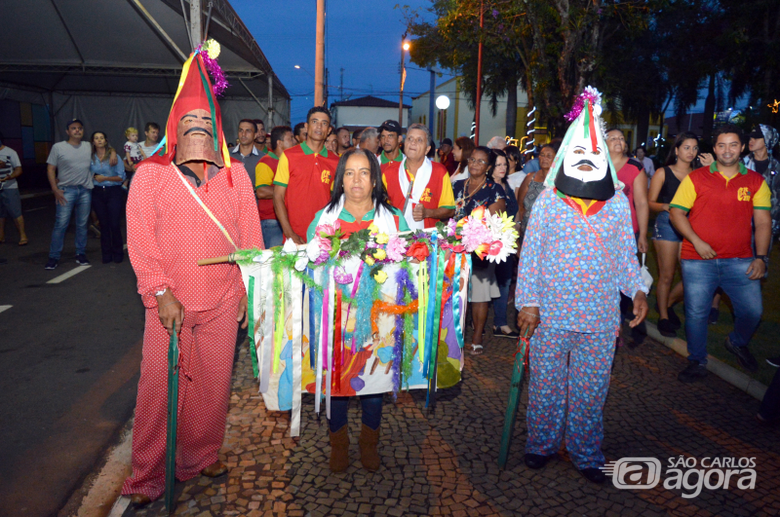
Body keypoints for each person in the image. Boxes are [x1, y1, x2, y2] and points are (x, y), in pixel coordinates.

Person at [122, 51, 264, 506]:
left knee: (214, 384)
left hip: (223, 299)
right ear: (174, 125)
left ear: (217, 126)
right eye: (190, 118)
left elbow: (252, 240)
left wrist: (246, 288)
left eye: (207, 118)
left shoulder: (236, 176)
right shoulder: (150, 175)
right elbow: (140, 240)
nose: (198, 125)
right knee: (158, 390)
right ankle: (146, 476)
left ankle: (199, 457)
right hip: (171, 304)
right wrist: (160, 292)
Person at [515, 89, 648, 483]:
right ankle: (541, 443)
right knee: (545, 386)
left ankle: (586, 452)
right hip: (550, 317)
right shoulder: (549, 202)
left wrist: (637, 290)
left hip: (599, 318)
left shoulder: (618, 204)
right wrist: (528, 303)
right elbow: (531, 254)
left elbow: (626, 256)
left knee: (591, 393)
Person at [307, 148, 409, 473]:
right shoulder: (324, 219)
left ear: (375, 178)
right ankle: (339, 444)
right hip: (337, 320)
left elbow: (409, 265)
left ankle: (369, 443)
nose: (356, 180)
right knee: (337, 384)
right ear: (340, 180)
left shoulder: (393, 218)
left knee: (374, 385)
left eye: (364, 172)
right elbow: (306, 265)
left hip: (380, 321)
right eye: (349, 173)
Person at [670, 124, 771, 382]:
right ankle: (697, 361)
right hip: (697, 260)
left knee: (752, 312)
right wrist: (696, 240)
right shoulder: (696, 178)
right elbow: (676, 213)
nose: (727, 150)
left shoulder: (756, 181)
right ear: (715, 149)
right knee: (696, 313)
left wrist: (761, 257)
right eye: (722, 145)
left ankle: (736, 341)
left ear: (742, 147)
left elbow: (762, 223)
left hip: (741, 260)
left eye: (733, 144)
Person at [453, 146, 506, 355]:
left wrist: (470, 228)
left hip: (481, 248)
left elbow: (495, 216)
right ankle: (456, 335)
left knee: (479, 295)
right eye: (472, 160)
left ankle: (477, 337)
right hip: (456, 248)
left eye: (481, 161)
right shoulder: (457, 185)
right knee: (457, 293)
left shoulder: (495, 189)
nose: (475, 164)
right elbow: (448, 212)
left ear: (489, 167)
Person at [648, 132, 698, 336]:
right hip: (667, 225)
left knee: (692, 275)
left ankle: (665, 303)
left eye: (695, 148)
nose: (691, 152)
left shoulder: (698, 174)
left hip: (690, 227)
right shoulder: (663, 172)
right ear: (676, 150)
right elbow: (650, 202)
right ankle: (664, 317)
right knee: (667, 275)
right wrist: (665, 206)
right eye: (686, 147)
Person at [273, 106, 340, 244]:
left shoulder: (336, 161)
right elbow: (278, 196)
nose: (319, 127)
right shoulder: (289, 156)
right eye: (315, 122)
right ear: (307, 126)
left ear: (329, 130)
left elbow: (337, 201)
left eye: (324, 123)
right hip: (294, 237)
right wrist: (289, 233)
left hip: (324, 238)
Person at [382, 123, 455, 231]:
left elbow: (450, 210)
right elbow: (381, 209)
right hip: (396, 240)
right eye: (410, 138)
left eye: (419, 140)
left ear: (427, 149)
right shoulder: (388, 173)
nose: (413, 142)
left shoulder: (439, 172)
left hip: (428, 240)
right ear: (404, 143)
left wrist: (427, 213)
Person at [45, 119, 95, 269]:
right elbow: (50, 169)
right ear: (67, 132)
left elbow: (103, 147)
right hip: (66, 191)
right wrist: (55, 189)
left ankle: (80, 253)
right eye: (73, 128)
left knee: (82, 224)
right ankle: (53, 257)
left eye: (80, 128)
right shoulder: (58, 147)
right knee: (61, 224)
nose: (77, 131)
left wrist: (112, 153)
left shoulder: (88, 146)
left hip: (85, 190)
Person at [489, 149, 520, 339]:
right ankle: (476, 323)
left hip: (507, 242)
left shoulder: (507, 186)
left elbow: (515, 212)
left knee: (504, 282)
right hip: (488, 243)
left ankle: (500, 322)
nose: (503, 168)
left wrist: (515, 235)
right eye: (498, 165)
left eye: (505, 165)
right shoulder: (487, 187)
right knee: (482, 285)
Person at [89, 131, 126, 264]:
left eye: (101, 138)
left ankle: (118, 252)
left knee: (114, 224)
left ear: (106, 140)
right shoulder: (90, 157)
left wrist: (105, 178)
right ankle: (106, 254)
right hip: (97, 192)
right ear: (93, 141)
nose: (99, 140)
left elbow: (121, 176)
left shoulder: (113, 156)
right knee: (104, 225)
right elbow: (85, 173)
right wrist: (94, 177)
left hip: (113, 191)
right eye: (96, 138)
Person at [255, 125, 295, 248]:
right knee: (274, 262)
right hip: (271, 222)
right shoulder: (266, 162)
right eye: (291, 138)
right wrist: (291, 191)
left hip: (285, 220)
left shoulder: (288, 161)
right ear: (280, 143)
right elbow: (261, 191)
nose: (294, 141)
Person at [743, 125, 780, 237]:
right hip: (742, 226)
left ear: (767, 140)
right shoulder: (741, 165)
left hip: (767, 226)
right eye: (750, 138)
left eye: (756, 138)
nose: (751, 140)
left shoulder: (777, 168)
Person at [517, 143, 558, 238]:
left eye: (549, 156)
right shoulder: (531, 177)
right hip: (527, 230)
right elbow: (520, 205)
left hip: (550, 232)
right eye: (542, 155)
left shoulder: (560, 181)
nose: (544, 158)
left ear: (556, 159)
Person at [0, 135, 28, 246]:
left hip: (9, 186)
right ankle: (1, 236)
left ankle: (22, 235)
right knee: (0, 214)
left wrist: (10, 176)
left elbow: (18, 169)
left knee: (15, 212)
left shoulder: (10, 152)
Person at [230, 119, 264, 187]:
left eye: (248, 131)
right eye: (241, 130)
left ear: (255, 135)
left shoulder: (263, 159)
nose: (243, 134)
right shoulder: (226, 155)